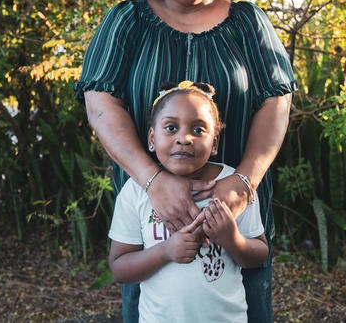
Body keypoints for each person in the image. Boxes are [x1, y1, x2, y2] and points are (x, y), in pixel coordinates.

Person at [74, 0, 296, 323]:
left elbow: (276, 103)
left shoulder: (248, 22)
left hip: (234, 214)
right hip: (150, 218)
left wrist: (242, 184)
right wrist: (154, 181)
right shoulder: (126, 21)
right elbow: (100, 104)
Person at [108, 81, 269, 322]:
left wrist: (232, 240)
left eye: (198, 130)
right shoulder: (136, 191)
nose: (184, 138)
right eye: (171, 128)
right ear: (152, 139)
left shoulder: (233, 186)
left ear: (214, 143)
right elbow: (119, 268)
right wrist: (165, 251)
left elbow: (260, 255)